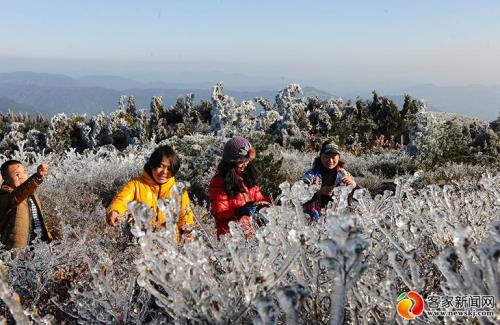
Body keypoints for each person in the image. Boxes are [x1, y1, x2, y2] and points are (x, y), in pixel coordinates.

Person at [107, 145, 194, 242]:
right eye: (160, 166)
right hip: (140, 245)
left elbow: (185, 215)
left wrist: (187, 230)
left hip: (170, 247)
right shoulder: (135, 185)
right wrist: (115, 211)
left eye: (169, 168)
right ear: (152, 164)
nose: (164, 172)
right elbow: (122, 200)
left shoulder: (178, 190)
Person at [209, 136, 272, 239]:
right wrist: (239, 211)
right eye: (241, 162)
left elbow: (259, 200)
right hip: (231, 238)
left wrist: (271, 201)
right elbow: (219, 213)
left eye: (247, 160)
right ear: (230, 163)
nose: (245, 164)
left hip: (251, 234)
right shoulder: (219, 181)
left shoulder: (248, 177)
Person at [0, 160, 52, 250]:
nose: (22, 176)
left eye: (24, 172)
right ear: (5, 178)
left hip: (41, 245)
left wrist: (49, 237)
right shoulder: (4, 196)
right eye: (17, 174)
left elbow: (39, 218)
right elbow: (16, 197)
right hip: (19, 252)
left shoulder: (31, 192)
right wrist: (37, 177)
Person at [303, 140, 357, 221]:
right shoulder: (310, 176)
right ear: (320, 156)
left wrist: (354, 185)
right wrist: (319, 192)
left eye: (333, 157)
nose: (330, 160)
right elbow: (299, 198)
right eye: (327, 156)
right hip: (312, 222)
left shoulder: (345, 174)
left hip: (338, 222)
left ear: (339, 157)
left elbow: (360, 197)